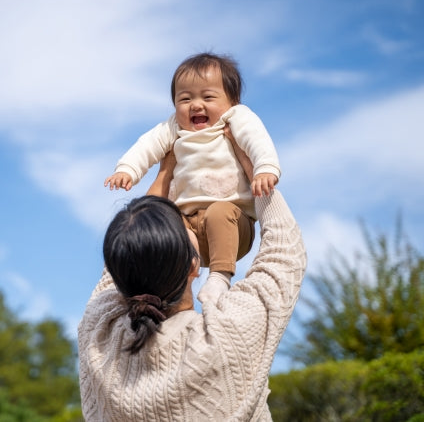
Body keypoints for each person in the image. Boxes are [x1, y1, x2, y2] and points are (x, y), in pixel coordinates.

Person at [78, 189, 306, 420]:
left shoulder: (97, 339)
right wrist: (258, 172)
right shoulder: (227, 334)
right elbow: (284, 254)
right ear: (193, 266)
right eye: (187, 225)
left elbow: (125, 256)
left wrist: (159, 190)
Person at [104, 52, 281, 304]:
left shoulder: (235, 119)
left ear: (232, 101)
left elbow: (257, 140)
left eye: (208, 97)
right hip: (188, 225)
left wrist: (265, 169)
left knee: (220, 212)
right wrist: (128, 169)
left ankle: (219, 277)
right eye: (185, 99)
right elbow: (147, 145)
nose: (196, 105)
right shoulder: (175, 127)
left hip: (232, 224)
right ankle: (172, 282)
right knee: (169, 226)